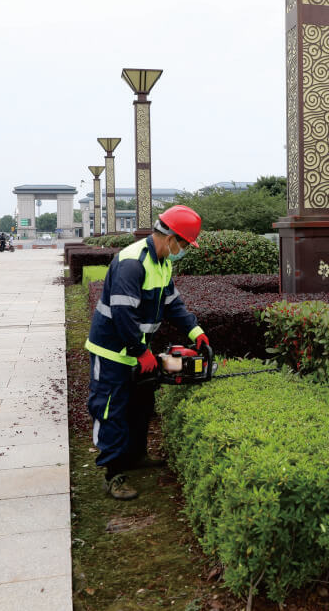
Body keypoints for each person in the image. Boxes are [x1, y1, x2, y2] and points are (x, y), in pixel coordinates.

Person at [85, 205, 212, 500]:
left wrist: (196, 332)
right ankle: (113, 473)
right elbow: (122, 313)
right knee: (110, 410)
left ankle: (136, 456)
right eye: (183, 244)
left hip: (137, 350)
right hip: (112, 352)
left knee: (141, 406)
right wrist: (141, 351)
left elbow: (173, 305)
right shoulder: (132, 262)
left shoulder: (164, 263)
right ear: (170, 238)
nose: (183, 250)